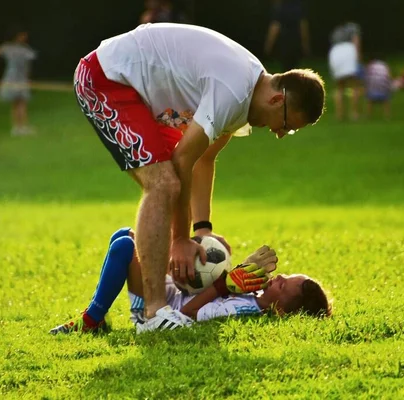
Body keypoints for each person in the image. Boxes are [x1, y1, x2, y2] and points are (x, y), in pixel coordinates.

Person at [74, 23, 325, 333]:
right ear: (277, 101)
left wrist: (201, 231)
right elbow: (184, 159)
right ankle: (154, 314)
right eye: (286, 124)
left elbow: (204, 158)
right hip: (105, 78)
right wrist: (179, 239)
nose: (279, 134)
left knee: (168, 185)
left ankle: (135, 304)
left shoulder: (249, 89)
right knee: (164, 184)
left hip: (134, 91)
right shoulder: (233, 90)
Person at [49, 228, 333, 335]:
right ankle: (97, 317)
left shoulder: (245, 311)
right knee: (126, 233)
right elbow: (222, 279)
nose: (279, 277)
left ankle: (92, 320)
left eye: (284, 285)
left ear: (281, 311)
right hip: (171, 292)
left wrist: (221, 286)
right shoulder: (256, 290)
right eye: (286, 276)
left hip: (159, 310)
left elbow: (187, 315)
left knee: (124, 246)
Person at [328, 22, 363, 121]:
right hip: (348, 51)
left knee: (339, 87)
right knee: (355, 85)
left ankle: (339, 115)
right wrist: (359, 57)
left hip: (335, 53)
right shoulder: (353, 27)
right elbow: (356, 41)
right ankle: (354, 113)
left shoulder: (336, 31)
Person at [264, 0, 312, 71]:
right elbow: (303, 26)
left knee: (286, 68)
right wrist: (305, 44)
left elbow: (275, 27)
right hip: (296, 42)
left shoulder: (279, 8)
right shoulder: (298, 6)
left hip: (284, 43)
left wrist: (268, 45)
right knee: (296, 68)